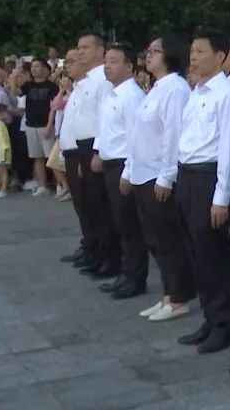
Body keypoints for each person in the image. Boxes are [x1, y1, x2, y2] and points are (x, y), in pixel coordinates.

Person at [175, 30, 230, 350]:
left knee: (214, 254)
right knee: (195, 252)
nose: (193, 56)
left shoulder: (227, 95)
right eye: (192, 50)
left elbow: (228, 149)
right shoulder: (196, 92)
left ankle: (224, 324)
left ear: (220, 57)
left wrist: (221, 197)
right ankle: (210, 317)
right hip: (188, 175)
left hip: (209, 178)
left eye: (201, 51)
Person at [130, 36, 196, 323]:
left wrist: (167, 176)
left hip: (159, 175)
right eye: (148, 50)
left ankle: (179, 297)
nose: (149, 55)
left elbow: (173, 135)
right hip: (143, 173)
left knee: (169, 239)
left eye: (156, 51)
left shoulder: (176, 89)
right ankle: (169, 294)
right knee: (155, 239)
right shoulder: (157, 88)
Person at [92, 44, 147, 299]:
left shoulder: (132, 96)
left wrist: (128, 171)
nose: (107, 66)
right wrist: (98, 151)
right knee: (119, 222)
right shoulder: (111, 94)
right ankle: (126, 272)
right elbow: (104, 128)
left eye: (114, 61)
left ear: (129, 66)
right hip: (110, 163)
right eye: (106, 61)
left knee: (129, 224)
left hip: (124, 164)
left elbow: (136, 138)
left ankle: (136, 277)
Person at [63, 33, 118, 281]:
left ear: (99, 51)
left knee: (100, 206)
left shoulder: (102, 80)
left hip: (94, 146)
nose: (80, 52)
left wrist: (97, 151)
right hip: (81, 147)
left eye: (85, 48)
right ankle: (98, 252)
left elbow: (103, 120)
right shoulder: (86, 82)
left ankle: (109, 257)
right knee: (90, 206)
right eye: (79, 48)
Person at [46, 72, 72, 201]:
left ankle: (70, 189)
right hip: (60, 132)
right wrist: (61, 91)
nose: (62, 82)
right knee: (53, 162)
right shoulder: (61, 95)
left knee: (66, 163)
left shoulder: (73, 95)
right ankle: (66, 186)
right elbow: (55, 105)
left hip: (69, 133)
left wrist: (67, 90)